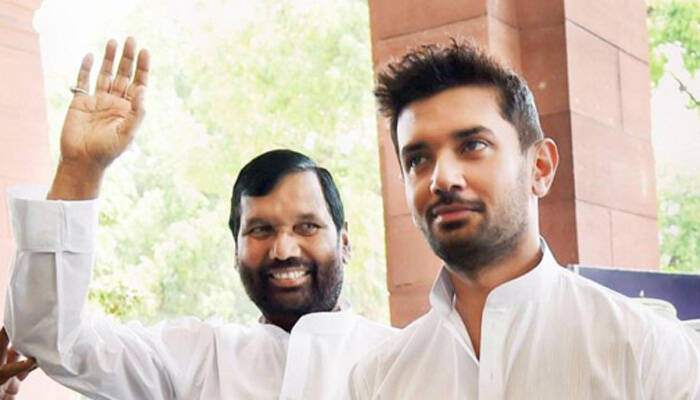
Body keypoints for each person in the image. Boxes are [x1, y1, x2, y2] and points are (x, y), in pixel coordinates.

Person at [4, 37, 394, 399]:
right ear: (235, 251)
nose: (283, 249)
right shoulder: (195, 358)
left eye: (306, 226)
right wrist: (80, 169)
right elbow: (52, 339)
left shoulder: (400, 359)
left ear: (345, 242)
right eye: (260, 230)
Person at [347, 41, 700, 399]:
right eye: (418, 160)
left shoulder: (648, 352)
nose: (442, 178)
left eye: (473, 145)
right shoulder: (377, 380)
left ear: (540, 167)